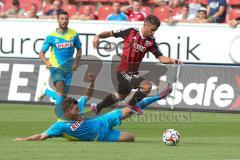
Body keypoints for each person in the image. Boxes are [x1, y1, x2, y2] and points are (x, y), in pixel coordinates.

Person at [15, 79, 172, 142]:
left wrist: (91, 82)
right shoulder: (60, 125)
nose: (79, 109)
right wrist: (23, 140)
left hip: (103, 120)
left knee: (131, 108)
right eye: (76, 108)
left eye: (78, 107)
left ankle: (158, 96)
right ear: (69, 111)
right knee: (130, 138)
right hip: (101, 136)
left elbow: (86, 95)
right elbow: (42, 136)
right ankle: (46, 91)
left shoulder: (76, 107)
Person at [92, 15, 180, 115]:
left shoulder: (151, 42)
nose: (153, 32)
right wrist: (97, 36)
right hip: (123, 71)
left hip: (133, 73)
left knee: (120, 96)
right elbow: (110, 33)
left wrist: (171, 60)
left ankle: (97, 107)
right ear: (145, 25)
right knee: (147, 86)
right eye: (152, 30)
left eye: (155, 30)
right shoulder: (131, 32)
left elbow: (160, 57)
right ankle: (132, 104)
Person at [38, 11, 82, 106]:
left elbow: (79, 49)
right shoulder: (51, 36)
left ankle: (46, 91)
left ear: (68, 20)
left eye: (66, 19)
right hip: (55, 66)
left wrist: (76, 62)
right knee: (61, 91)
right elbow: (41, 53)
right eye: (62, 19)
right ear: (58, 20)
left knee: (63, 97)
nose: (64, 21)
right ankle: (61, 117)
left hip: (68, 67)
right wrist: (46, 62)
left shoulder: (74, 34)